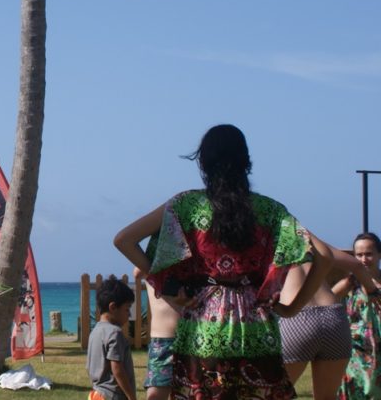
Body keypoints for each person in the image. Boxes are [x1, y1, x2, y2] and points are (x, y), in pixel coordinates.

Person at [114, 123, 332, 400]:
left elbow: (124, 240)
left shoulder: (186, 205)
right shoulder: (270, 210)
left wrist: (166, 284)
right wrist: (291, 309)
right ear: (245, 161)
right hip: (256, 325)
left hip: (203, 324)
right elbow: (324, 256)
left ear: (204, 162)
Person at [278, 235, 365, 399]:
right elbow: (356, 264)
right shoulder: (307, 240)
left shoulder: (264, 237)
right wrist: (372, 290)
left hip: (296, 318)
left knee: (274, 394)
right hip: (333, 317)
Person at [335, 232, 381, 400]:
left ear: (379, 255)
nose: (363, 259)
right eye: (359, 255)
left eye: (368, 254)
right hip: (355, 351)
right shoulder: (351, 283)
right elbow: (327, 298)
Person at [86, 276, 138, 400]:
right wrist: (131, 397)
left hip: (96, 394)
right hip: (113, 395)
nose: (129, 314)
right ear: (113, 307)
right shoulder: (115, 333)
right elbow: (117, 369)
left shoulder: (95, 332)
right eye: (127, 309)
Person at [132, 263, 177, 400]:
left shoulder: (192, 266)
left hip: (192, 337)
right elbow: (137, 272)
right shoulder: (154, 265)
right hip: (163, 339)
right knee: (156, 394)